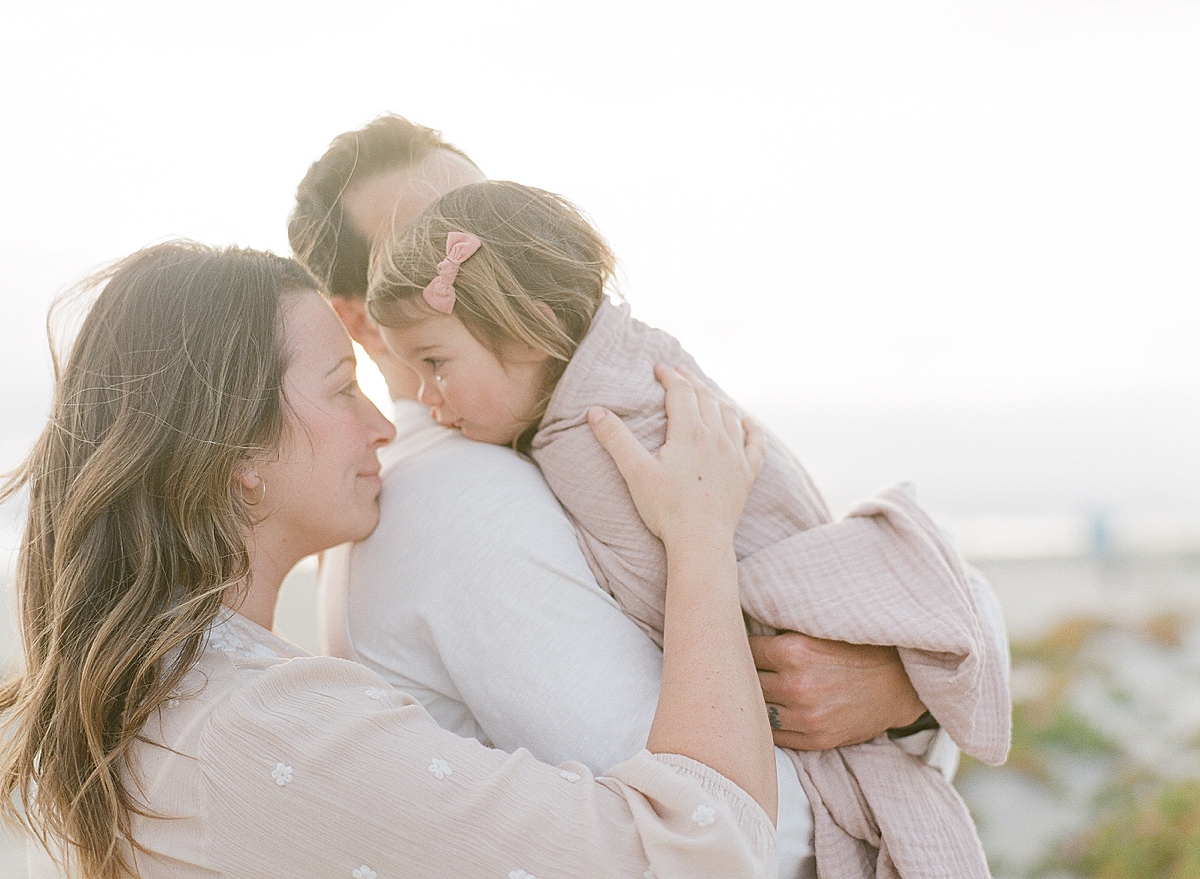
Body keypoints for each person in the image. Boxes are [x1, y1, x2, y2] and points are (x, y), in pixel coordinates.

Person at [290, 115, 1007, 879]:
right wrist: (905, 700)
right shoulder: (455, 494)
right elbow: (734, 828)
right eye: (421, 237)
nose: (480, 250)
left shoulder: (558, 438)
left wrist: (903, 687)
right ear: (355, 317)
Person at [0, 242, 778, 879]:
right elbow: (704, 853)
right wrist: (701, 535)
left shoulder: (161, 708)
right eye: (343, 389)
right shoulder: (262, 728)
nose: (380, 424)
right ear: (236, 443)